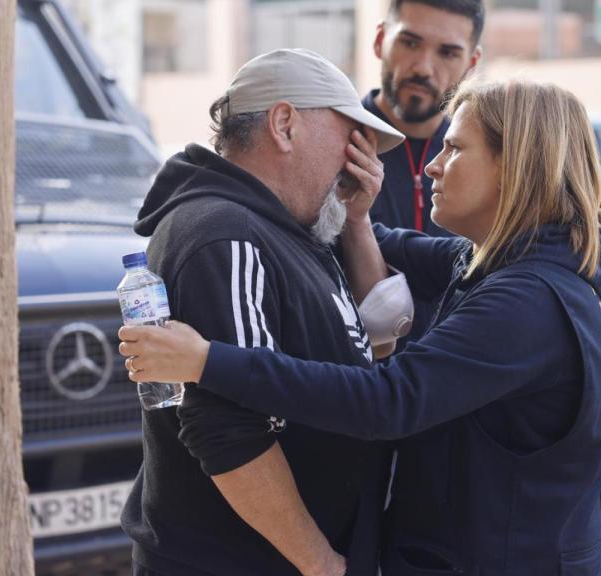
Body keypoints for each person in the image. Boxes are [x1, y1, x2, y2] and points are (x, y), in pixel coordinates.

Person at [118, 79, 601, 575]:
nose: (432, 165)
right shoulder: (501, 262)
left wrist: (206, 360)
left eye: (454, 150)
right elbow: (370, 235)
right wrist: (350, 215)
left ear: (516, 168)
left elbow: (387, 402)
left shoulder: (528, 300)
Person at [120, 48, 404, 576]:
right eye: (349, 138)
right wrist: (321, 564)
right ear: (284, 124)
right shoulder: (225, 234)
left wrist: (357, 220)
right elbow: (231, 431)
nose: (357, 160)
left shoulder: (287, 227)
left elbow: (373, 346)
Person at [360, 0, 484, 346]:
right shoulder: (328, 147)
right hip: (349, 381)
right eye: (409, 43)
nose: (424, 68)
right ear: (380, 40)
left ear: (471, 64)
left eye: (447, 53)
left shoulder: (490, 161)